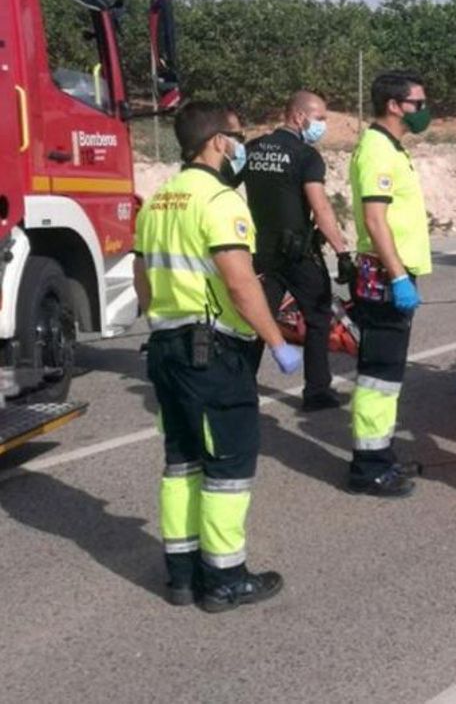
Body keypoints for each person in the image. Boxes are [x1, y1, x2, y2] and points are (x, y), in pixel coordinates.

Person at [134, 100, 302, 612]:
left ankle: (182, 573)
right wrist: (276, 341)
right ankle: (226, 576)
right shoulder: (221, 201)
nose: (241, 146)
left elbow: (141, 278)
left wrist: (164, 319)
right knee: (229, 464)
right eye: (238, 136)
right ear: (217, 143)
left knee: (182, 460)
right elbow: (239, 281)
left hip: (166, 346)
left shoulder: (159, 199)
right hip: (212, 351)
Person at [345, 71, 433, 498]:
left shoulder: (390, 147)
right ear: (396, 105)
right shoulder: (377, 150)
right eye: (418, 103)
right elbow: (376, 220)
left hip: (393, 270)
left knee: (388, 374)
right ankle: (368, 466)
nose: (424, 111)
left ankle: (382, 453)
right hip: (385, 273)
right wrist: (398, 276)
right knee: (379, 375)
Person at [242, 90, 350, 412]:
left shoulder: (253, 149)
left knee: (256, 322)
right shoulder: (306, 156)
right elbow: (321, 208)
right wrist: (342, 252)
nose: (323, 125)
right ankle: (317, 392)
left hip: (262, 251)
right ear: (300, 116)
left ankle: (242, 390)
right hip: (299, 253)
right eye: (320, 119)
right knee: (318, 318)